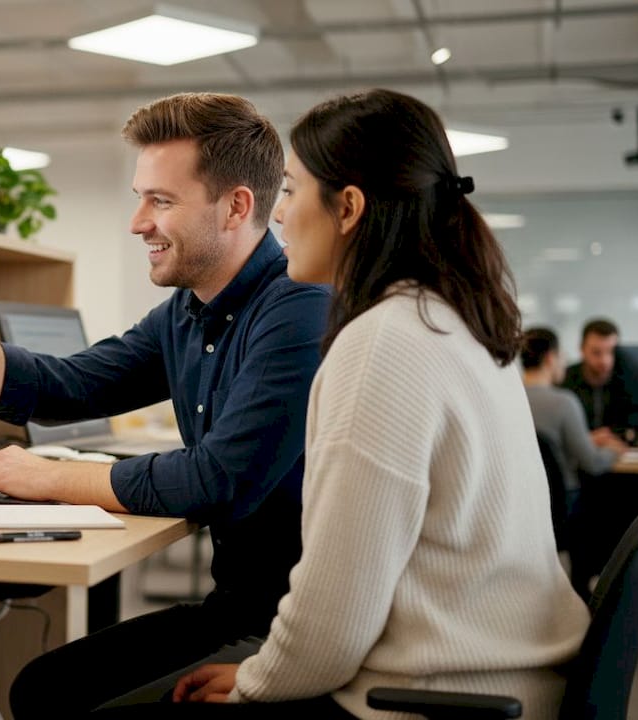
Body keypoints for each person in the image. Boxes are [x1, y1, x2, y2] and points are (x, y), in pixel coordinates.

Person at [100, 89, 589, 719]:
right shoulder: (453, 319)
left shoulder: (381, 342)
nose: (279, 217)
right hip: (505, 680)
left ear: (348, 208)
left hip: (427, 698)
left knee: (66, 694)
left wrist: (255, 681)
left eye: (293, 192)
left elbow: (335, 613)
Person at [0, 92, 330, 717]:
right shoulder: (187, 314)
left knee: (55, 696)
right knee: (44, 688)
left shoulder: (298, 306)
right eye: (141, 197)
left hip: (296, 628)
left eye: (160, 200)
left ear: (236, 206)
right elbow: (69, 387)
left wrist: (55, 478)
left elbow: (218, 480)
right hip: (241, 607)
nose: (138, 222)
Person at [522, 327, 627, 599]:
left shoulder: (509, 398)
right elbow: (592, 463)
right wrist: (616, 451)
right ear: (550, 359)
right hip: (565, 506)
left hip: (523, 505)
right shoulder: (563, 402)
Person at [561, 318, 632, 432]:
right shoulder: (563, 380)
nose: (604, 360)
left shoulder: (628, 380)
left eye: (611, 352)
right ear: (582, 349)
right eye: (596, 352)